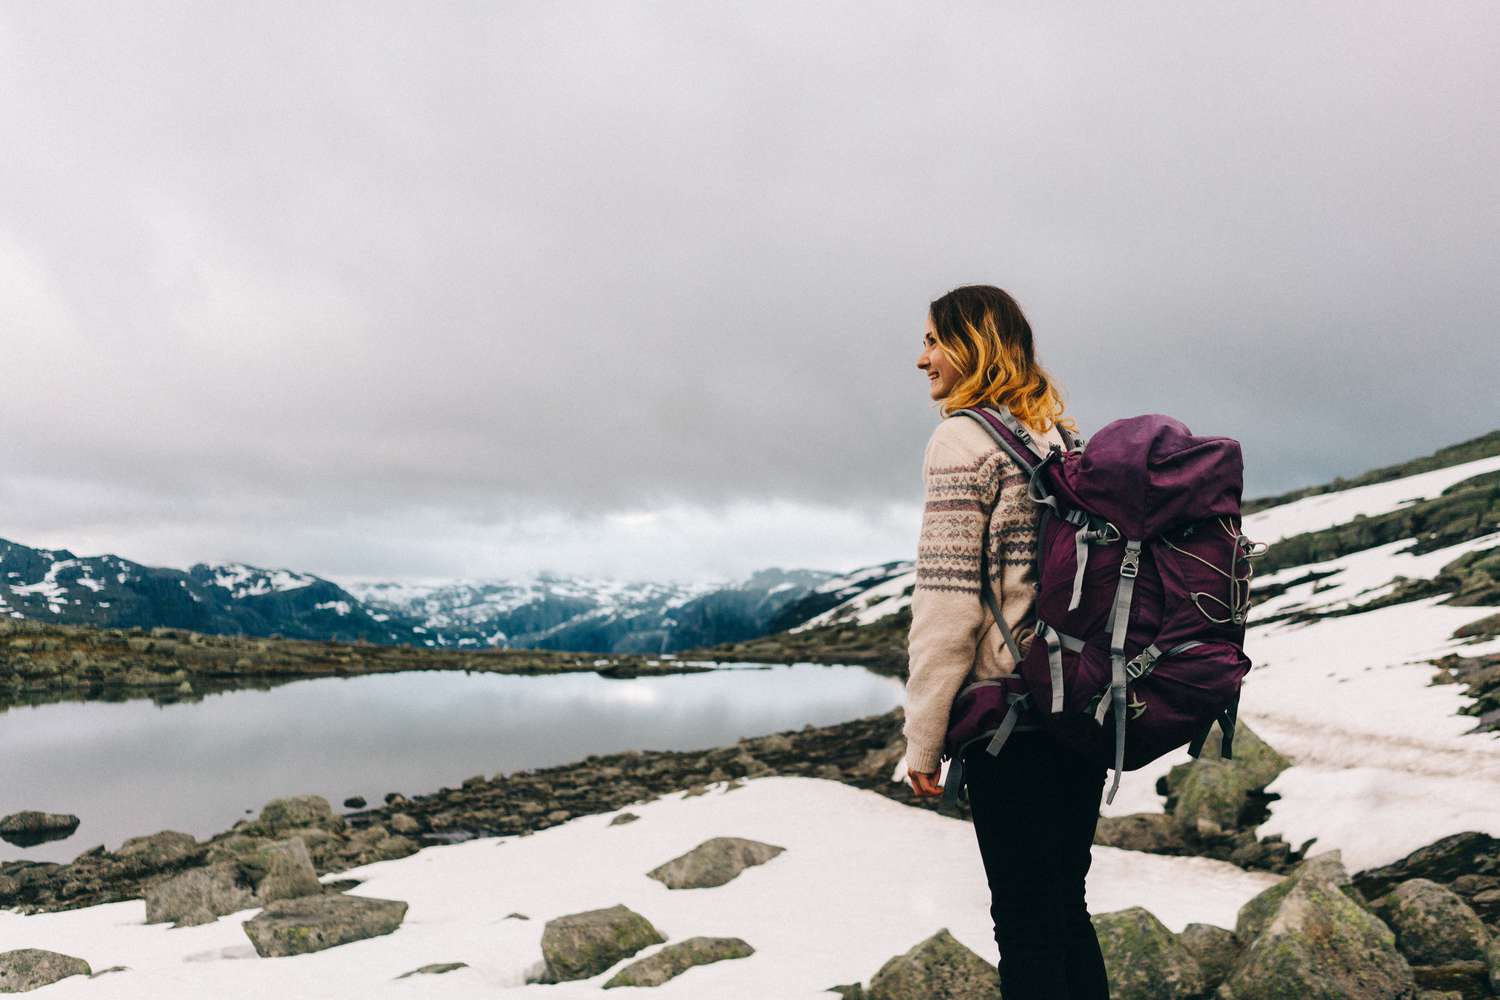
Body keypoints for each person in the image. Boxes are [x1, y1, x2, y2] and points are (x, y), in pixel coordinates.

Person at [904, 284, 1111, 999]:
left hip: (1010, 719)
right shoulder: (1060, 435)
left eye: (933, 340)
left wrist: (923, 738)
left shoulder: (961, 441)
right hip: (1084, 706)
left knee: (1024, 921)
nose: (921, 357)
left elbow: (947, 605)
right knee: (1065, 907)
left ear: (972, 345)